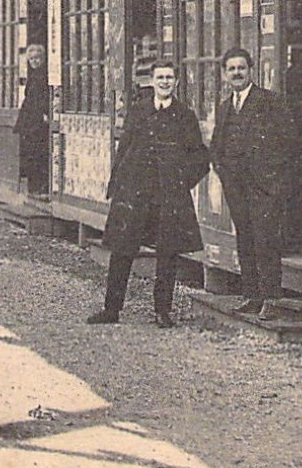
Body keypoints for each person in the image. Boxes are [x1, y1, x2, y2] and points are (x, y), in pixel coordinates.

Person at [88, 62, 211, 327]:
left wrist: (180, 181)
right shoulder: (139, 111)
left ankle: (162, 312)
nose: (164, 82)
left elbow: (201, 158)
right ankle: (111, 309)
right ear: (152, 81)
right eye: (160, 77)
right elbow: (125, 147)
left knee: (167, 254)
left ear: (176, 82)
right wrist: (116, 182)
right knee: (122, 250)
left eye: (169, 78)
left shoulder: (185, 116)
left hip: (167, 197)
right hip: (135, 193)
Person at [210, 47, 295, 319]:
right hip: (236, 188)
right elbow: (217, 146)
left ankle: (271, 298)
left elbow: (288, 141)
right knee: (245, 239)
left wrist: (273, 180)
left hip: (264, 187)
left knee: (265, 240)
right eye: (232, 69)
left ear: (250, 70)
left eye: (241, 68)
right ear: (225, 74)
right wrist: (223, 172)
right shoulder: (225, 108)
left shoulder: (270, 102)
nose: (237, 73)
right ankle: (251, 295)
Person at [15, 43, 51, 195]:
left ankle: (40, 185)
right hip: (29, 118)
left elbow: (44, 98)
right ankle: (32, 185)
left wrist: (45, 113)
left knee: (39, 152)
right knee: (29, 152)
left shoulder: (45, 75)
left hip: (39, 119)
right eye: (31, 59)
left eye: (37, 58)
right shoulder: (32, 76)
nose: (34, 61)